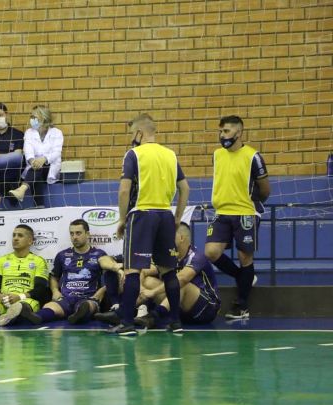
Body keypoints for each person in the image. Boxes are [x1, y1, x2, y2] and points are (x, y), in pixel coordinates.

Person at [113, 113, 190, 336]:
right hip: (165, 215)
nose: (131, 138)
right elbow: (185, 188)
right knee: (169, 271)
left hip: (141, 214)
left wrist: (122, 219)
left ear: (139, 133)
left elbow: (124, 190)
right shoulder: (170, 155)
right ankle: (175, 322)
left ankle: (127, 323)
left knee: (132, 270)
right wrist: (177, 217)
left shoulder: (134, 154)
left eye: (132, 134)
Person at [204, 115, 270, 320]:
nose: (222, 135)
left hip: (245, 212)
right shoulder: (217, 155)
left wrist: (250, 203)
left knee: (244, 257)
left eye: (226, 131)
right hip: (222, 212)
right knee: (211, 252)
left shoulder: (253, 156)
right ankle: (243, 278)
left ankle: (242, 306)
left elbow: (265, 189)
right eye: (220, 131)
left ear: (239, 132)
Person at [0, 220, 122, 326]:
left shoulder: (99, 254)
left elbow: (110, 276)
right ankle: (30, 315)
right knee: (48, 308)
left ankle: (78, 316)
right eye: (72, 233)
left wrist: (102, 291)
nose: (74, 237)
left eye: (78, 233)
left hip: (88, 297)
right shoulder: (62, 255)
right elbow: (54, 276)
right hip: (65, 298)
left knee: (87, 306)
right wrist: (55, 291)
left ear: (87, 234)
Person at [136, 223, 221, 328]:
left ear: (181, 238)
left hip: (206, 309)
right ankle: (129, 310)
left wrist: (153, 292)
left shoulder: (197, 256)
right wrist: (141, 288)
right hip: (181, 309)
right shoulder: (170, 256)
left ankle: (154, 316)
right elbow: (144, 271)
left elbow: (182, 279)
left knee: (179, 283)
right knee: (148, 281)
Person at [8, 105, 64, 207]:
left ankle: (22, 190)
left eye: (34, 117)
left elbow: (57, 152)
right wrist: (32, 161)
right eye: (31, 116)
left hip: (50, 167)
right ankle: (39, 205)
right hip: (34, 167)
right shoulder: (29, 132)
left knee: (38, 168)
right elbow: (28, 151)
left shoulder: (57, 133)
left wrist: (44, 159)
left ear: (44, 118)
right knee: (36, 169)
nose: (31, 119)